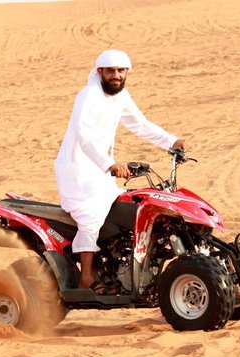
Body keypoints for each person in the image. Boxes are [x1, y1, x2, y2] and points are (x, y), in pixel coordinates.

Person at [54, 49, 186, 292]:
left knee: (120, 211)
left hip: (101, 169)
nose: (116, 75)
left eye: (121, 71)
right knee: (90, 216)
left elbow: (140, 124)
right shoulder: (88, 96)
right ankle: (86, 279)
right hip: (78, 169)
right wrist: (110, 164)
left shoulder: (121, 97)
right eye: (111, 71)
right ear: (100, 72)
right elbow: (84, 136)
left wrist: (171, 141)